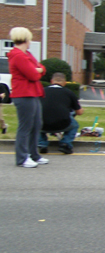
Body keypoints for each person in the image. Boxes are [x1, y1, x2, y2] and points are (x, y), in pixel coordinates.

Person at [7, 27, 47, 168]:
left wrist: (39, 69)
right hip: (23, 94)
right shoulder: (18, 56)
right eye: (29, 39)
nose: (30, 41)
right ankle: (22, 158)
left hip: (33, 93)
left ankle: (33, 154)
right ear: (25, 39)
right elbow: (33, 74)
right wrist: (38, 70)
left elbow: (41, 67)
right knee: (25, 127)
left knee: (36, 125)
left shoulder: (27, 54)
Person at [38, 72, 83, 155]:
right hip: (63, 124)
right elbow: (79, 112)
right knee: (75, 125)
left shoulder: (41, 91)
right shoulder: (69, 93)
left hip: (43, 124)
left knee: (36, 122)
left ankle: (42, 144)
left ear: (51, 81)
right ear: (65, 83)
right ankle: (65, 143)